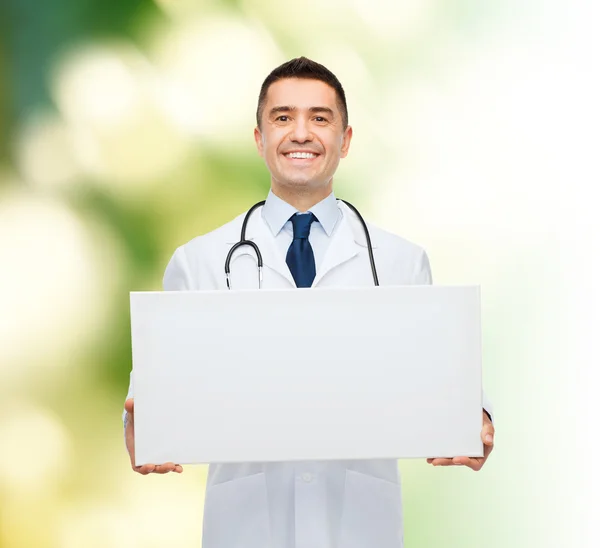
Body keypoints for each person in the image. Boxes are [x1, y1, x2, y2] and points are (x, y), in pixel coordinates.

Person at [123, 57, 495, 548]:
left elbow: (444, 376)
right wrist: (140, 424)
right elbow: (152, 390)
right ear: (259, 138)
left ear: (345, 140)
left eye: (320, 118)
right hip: (247, 526)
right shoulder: (200, 261)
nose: (301, 133)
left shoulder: (402, 262)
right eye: (283, 118)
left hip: (361, 527)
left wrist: (477, 419)